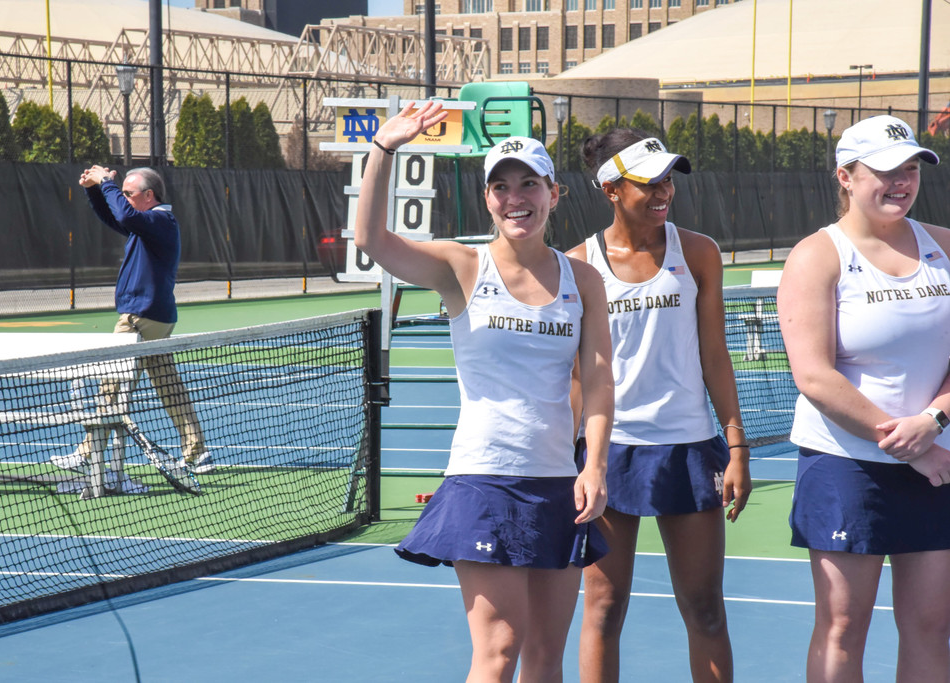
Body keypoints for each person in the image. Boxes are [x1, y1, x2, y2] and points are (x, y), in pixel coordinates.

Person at [355, 101, 614, 682]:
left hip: (558, 485)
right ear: (488, 199)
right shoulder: (462, 266)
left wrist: (594, 466)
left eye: (528, 183)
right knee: (498, 653)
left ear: (553, 192)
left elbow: (597, 380)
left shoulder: (583, 279)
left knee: (547, 659)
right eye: (501, 186)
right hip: (484, 478)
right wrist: (384, 148)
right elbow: (370, 237)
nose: (515, 197)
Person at [568, 129, 751, 683]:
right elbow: (578, 377)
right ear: (610, 189)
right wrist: (569, 459)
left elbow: (715, 355)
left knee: (705, 609)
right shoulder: (578, 266)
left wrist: (736, 445)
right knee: (603, 610)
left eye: (667, 179)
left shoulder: (698, 252)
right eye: (647, 182)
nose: (663, 191)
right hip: (609, 455)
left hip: (689, 449)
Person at [777, 114, 950, 682]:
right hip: (845, 466)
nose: (899, 181)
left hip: (936, 464)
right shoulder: (816, 256)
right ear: (845, 177)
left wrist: (933, 419)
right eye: (883, 171)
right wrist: (911, 444)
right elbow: (816, 377)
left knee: (930, 624)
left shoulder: (945, 247)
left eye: (909, 169)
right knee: (842, 626)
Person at [50, 166, 214, 475]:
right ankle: (198, 452)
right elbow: (115, 217)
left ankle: (87, 454)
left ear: (149, 196)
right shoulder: (147, 224)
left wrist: (108, 183)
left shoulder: (159, 221)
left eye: (129, 193)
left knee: (110, 387)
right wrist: (93, 190)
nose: (123, 198)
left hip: (141, 317)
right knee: (168, 384)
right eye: (123, 193)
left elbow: (124, 216)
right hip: (151, 315)